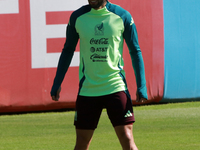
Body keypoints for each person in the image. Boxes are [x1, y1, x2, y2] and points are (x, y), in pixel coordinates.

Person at [51, 0, 148, 149]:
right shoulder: (77, 17)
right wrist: (57, 82)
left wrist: (142, 86)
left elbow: (135, 51)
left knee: (127, 138)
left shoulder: (122, 16)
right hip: (88, 90)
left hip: (115, 86)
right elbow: (67, 50)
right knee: (82, 142)